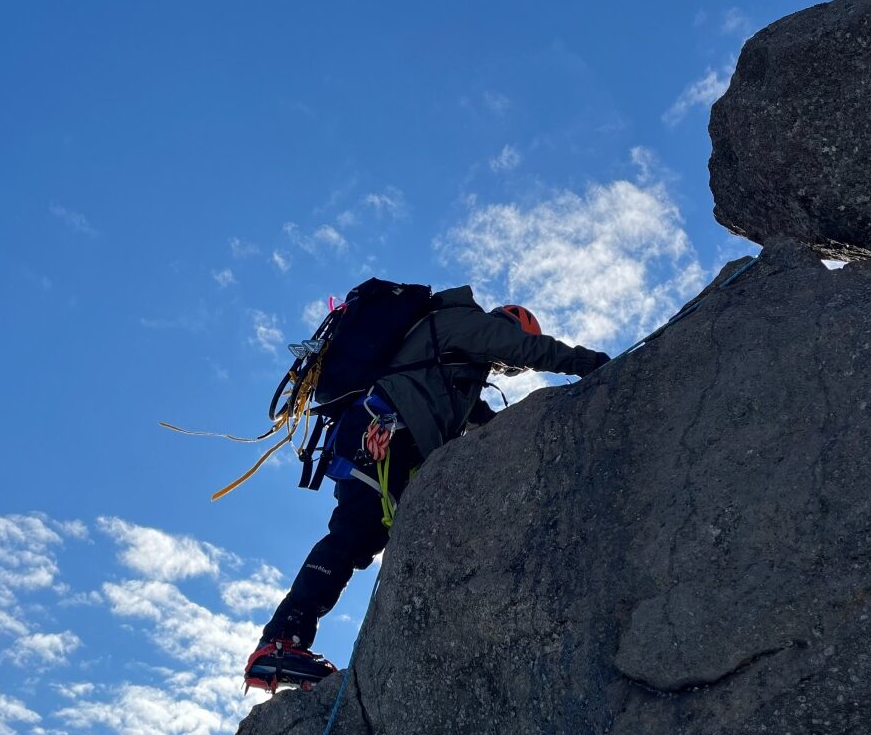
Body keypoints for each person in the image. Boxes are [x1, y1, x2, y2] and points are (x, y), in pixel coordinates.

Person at [243, 284, 610, 689]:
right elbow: (530, 350)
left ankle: (287, 642)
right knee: (350, 535)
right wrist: (591, 363)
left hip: (383, 440)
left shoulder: (451, 368)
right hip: (381, 435)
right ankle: (280, 641)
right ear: (511, 323)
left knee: (357, 540)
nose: (502, 369)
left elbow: (478, 421)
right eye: (508, 365)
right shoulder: (465, 323)